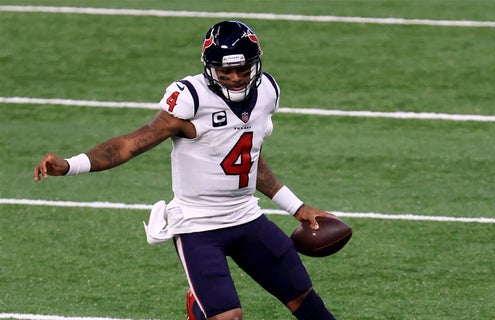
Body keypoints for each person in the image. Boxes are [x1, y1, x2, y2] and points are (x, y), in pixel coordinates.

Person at [34, 20, 337, 320]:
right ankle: (199, 309)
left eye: (243, 71)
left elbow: (248, 158)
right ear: (210, 68)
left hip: (246, 215)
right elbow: (131, 144)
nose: (235, 78)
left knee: (302, 297)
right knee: (228, 317)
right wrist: (72, 165)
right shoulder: (191, 98)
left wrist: (296, 207)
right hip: (198, 224)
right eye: (225, 71)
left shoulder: (268, 92)